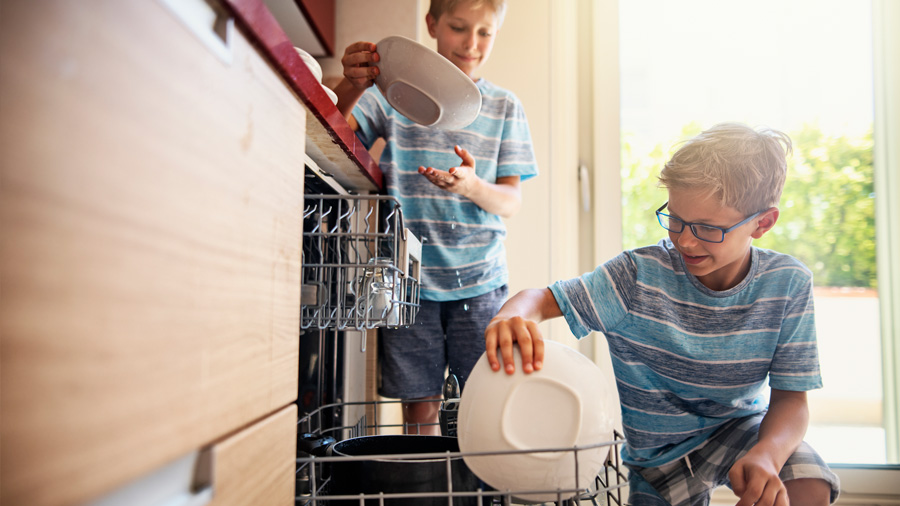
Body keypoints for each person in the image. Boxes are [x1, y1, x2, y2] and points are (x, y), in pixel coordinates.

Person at [483, 123, 840, 505]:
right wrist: (510, 316)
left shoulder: (788, 284)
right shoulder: (636, 277)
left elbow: (791, 399)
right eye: (676, 219)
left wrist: (768, 453)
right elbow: (539, 300)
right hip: (657, 461)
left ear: (762, 223)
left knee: (807, 480)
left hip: (739, 430)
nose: (686, 240)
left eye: (707, 228)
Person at [332, 0, 538, 434]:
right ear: (432, 25)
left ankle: (476, 498)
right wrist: (353, 86)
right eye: (459, 27)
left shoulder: (504, 107)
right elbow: (338, 131)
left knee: (481, 406)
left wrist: (471, 186)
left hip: (480, 281)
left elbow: (510, 201)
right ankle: (424, 491)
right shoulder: (393, 96)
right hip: (409, 284)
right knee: (420, 410)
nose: (471, 43)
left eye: (485, 33)